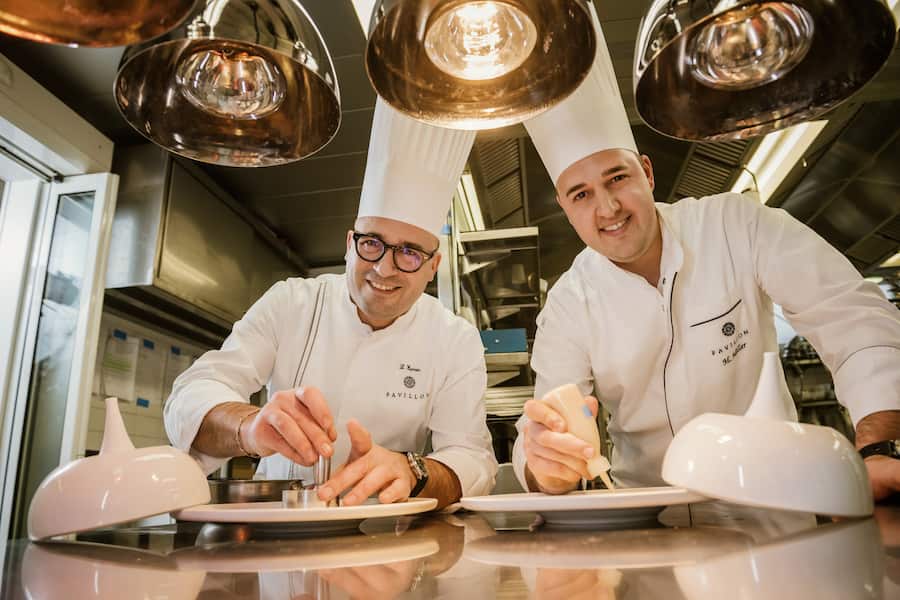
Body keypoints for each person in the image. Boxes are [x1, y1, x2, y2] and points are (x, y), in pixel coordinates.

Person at [512, 18, 900, 499]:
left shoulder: (737, 225)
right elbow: (546, 419)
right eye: (581, 194)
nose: (607, 208)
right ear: (567, 210)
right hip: (647, 517)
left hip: (773, 500)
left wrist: (880, 444)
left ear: (647, 174)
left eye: (617, 178)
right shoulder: (571, 303)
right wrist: (548, 464)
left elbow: (851, 317)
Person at [165, 98, 497, 509]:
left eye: (410, 253)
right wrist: (251, 427)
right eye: (372, 243)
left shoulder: (454, 339)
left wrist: (413, 471)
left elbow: (473, 459)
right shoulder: (291, 302)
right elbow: (190, 396)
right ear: (349, 245)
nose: (385, 269)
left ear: (433, 267)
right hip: (278, 534)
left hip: (388, 540)